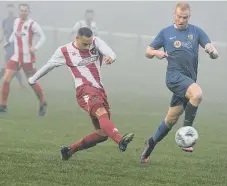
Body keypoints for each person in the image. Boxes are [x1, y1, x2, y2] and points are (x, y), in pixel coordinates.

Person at [28, 27, 134, 160]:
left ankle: (69, 151)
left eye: (89, 44)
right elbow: (49, 65)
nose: (87, 47)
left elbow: (110, 52)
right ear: (76, 38)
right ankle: (120, 140)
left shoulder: (95, 42)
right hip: (84, 90)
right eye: (84, 44)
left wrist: (111, 57)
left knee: (102, 134)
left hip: (99, 90)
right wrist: (32, 79)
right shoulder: (64, 51)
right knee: (101, 113)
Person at [141, 2, 218, 163]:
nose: (182, 20)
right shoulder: (166, 32)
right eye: (179, 16)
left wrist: (212, 52)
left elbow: (213, 51)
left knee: (170, 120)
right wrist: (156, 52)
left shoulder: (197, 31)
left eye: (185, 17)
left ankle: (151, 143)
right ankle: (187, 133)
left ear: (189, 16)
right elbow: (147, 51)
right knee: (197, 94)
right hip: (174, 77)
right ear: (174, 15)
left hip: (188, 81)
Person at [0, 3, 47, 116]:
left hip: (28, 58)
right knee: (6, 79)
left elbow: (43, 37)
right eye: (21, 10)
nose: (23, 12)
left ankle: (42, 103)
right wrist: (9, 42)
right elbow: (14, 34)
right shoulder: (16, 21)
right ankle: (3, 105)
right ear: (19, 11)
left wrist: (35, 48)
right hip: (16, 57)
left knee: (32, 82)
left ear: (29, 12)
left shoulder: (32, 24)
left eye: (25, 10)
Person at [0, 4, 25, 87]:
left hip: (15, 46)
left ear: (14, 10)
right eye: (9, 9)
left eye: (12, 9)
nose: (10, 11)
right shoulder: (5, 21)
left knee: (13, 65)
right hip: (8, 46)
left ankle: (21, 83)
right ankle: (21, 84)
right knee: (7, 64)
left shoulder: (17, 20)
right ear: (7, 10)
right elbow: (4, 34)